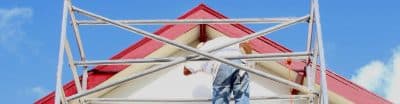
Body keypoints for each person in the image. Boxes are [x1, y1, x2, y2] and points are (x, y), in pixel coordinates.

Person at [183, 36, 253, 104]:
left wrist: (193, 58)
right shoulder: (224, 39)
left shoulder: (201, 51)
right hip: (240, 67)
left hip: (222, 67)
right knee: (242, 97)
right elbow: (245, 44)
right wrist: (249, 64)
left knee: (221, 99)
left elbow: (186, 71)